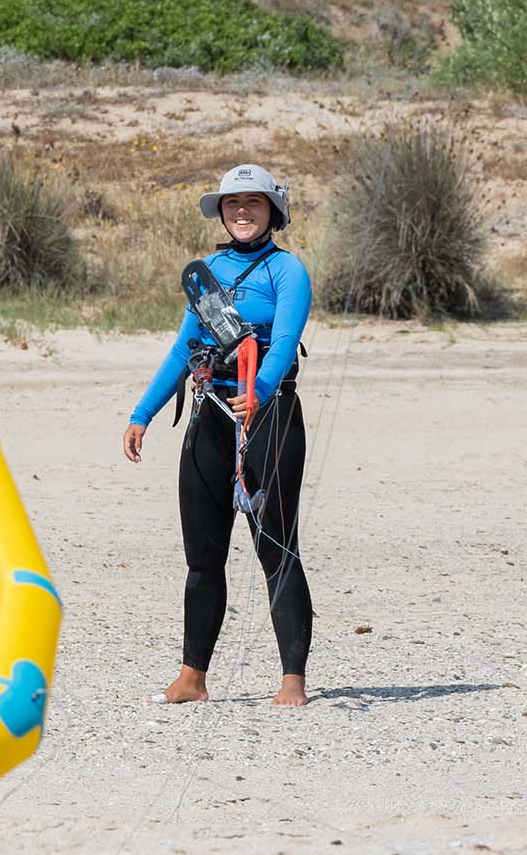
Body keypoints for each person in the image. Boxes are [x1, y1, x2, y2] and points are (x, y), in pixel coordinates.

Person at [121, 164, 314, 707]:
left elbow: (283, 342)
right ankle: (192, 676)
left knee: (276, 546)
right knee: (202, 555)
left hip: (269, 417)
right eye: (234, 204)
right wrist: (144, 413)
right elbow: (184, 349)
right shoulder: (207, 272)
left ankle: (291, 680)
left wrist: (261, 391)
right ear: (222, 214)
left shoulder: (287, 271)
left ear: (272, 211)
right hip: (210, 416)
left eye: (254, 202)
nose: (243, 212)